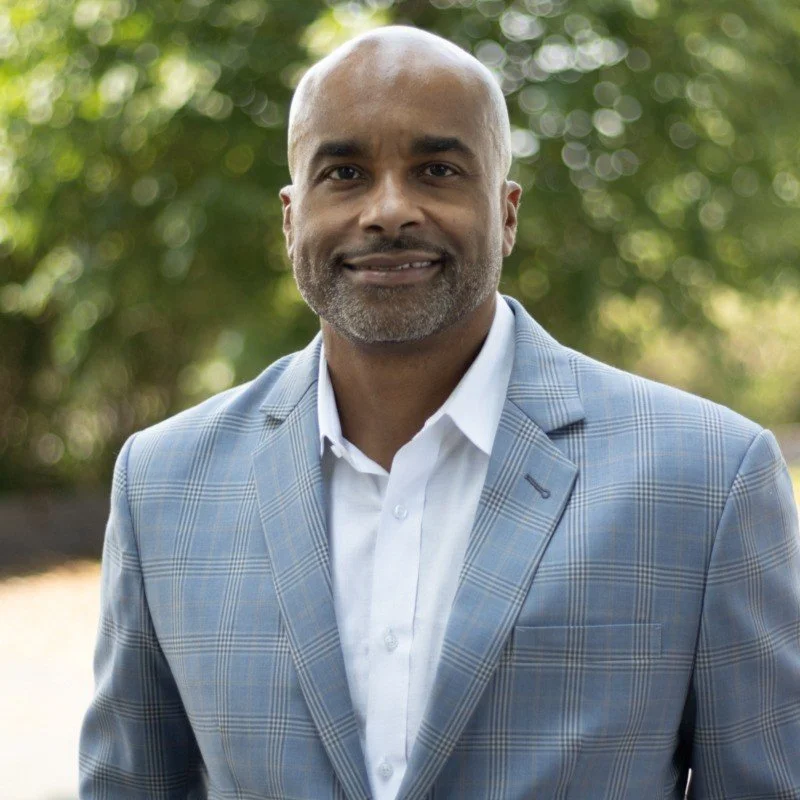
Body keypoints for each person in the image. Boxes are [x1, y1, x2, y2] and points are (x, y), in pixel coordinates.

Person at [79, 25, 800, 800]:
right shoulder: (162, 486)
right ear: (291, 218)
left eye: (437, 168)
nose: (389, 210)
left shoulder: (707, 479)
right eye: (346, 172)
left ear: (508, 211)